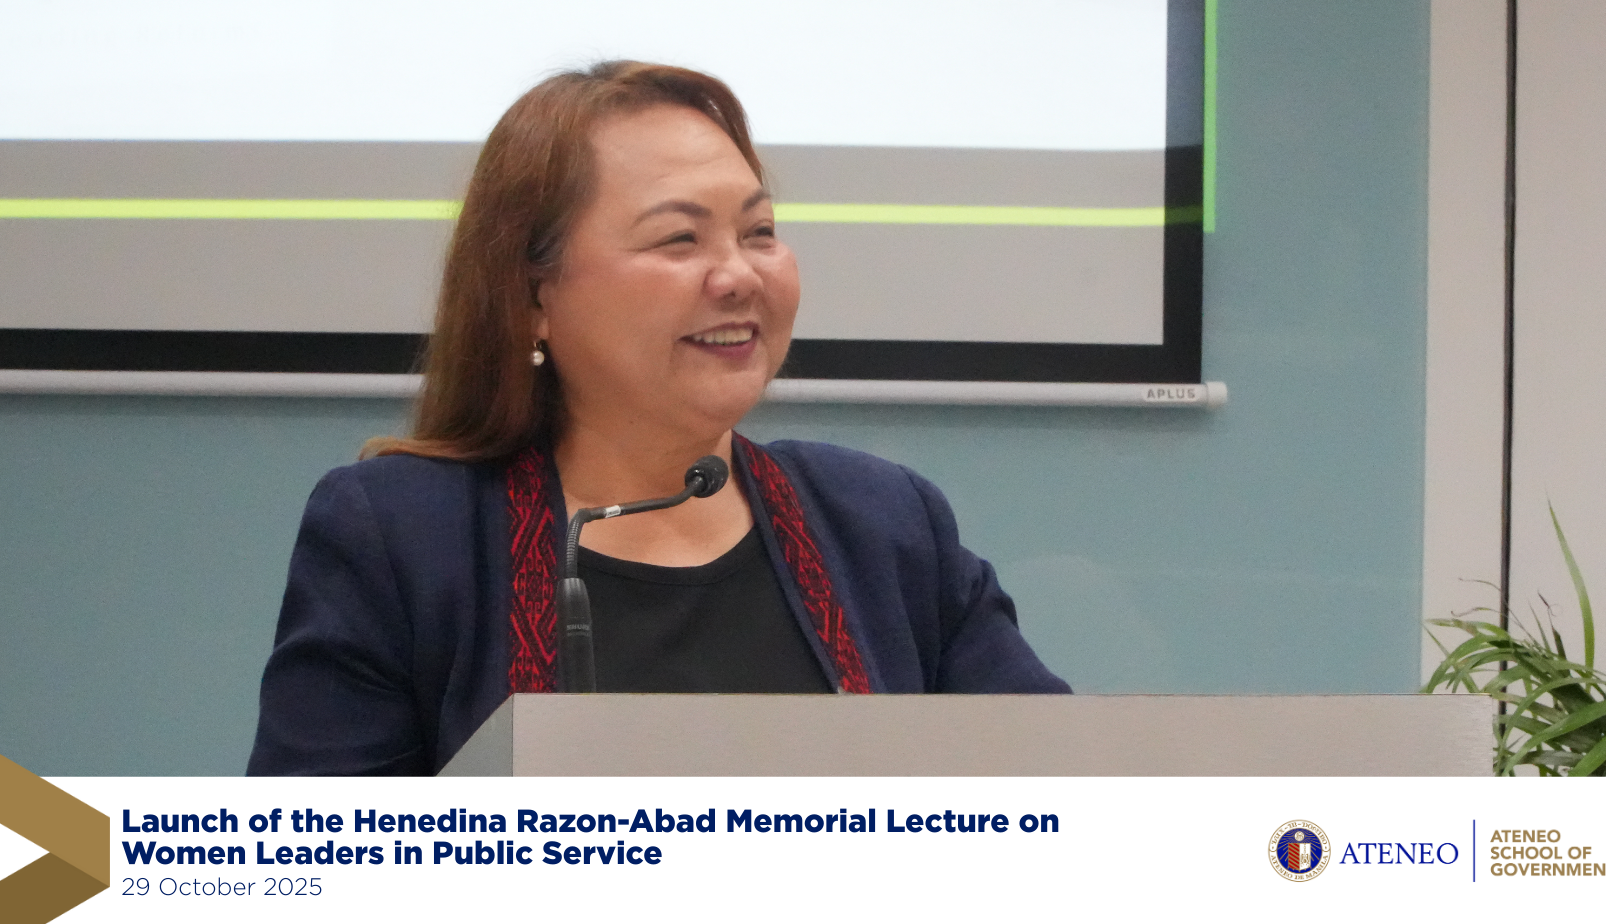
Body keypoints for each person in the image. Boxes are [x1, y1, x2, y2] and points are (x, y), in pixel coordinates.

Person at [248, 61, 1068, 776]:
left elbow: (1069, 800)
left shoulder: (885, 522)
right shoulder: (401, 537)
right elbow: (318, 862)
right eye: (679, 239)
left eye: (761, 233)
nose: (738, 275)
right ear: (533, 295)